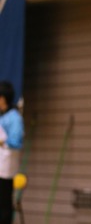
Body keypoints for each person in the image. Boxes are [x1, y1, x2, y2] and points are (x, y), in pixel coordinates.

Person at [0, 81, 24, 224]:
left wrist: (2, 142)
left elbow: (16, 142)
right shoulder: (2, 116)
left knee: (4, 205)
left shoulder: (15, 118)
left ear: (3, 98)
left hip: (6, 169)